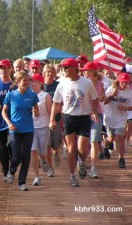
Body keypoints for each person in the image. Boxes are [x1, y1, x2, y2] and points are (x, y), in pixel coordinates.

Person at [49, 58, 99, 187]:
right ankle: (72, 176)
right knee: (71, 148)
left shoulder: (87, 83)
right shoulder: (61, 84)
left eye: (66, 68)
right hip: (68, 118)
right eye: (63, 68)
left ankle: (81, 162)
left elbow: (95, 99)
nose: (64, 70)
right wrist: (52, 119)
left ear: (74, 68)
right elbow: (56, 103)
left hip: (83, 118)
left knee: (82, 148)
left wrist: (93, 111)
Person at [2, 70, 39, 191]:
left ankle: (22, 182)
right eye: (24, 80)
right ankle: (11, 172)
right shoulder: (10, 95)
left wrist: (36, 112)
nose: (27, 82)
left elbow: (37, 111)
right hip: (15, 129)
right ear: (17, 82)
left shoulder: (32, 95)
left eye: (28, 80)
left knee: (26, 156)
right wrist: (9, 123)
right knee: (16, 155)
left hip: (28, 129)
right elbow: (4, 111)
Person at [0, 59, 16, 181]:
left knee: (12, 145)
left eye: (5, 68)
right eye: (1, 68)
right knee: (2, 147)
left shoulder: (14, 84)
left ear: (10, 69)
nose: (3, 70)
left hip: (13, 119)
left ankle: (11, 168)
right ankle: (5, 170)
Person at [81, 62, 105, 178]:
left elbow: (102, 96)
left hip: (97, 114)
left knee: (94, 140)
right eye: (84, 71)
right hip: (84, 115)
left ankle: (94, 168)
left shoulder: (100, 84)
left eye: (87, 70)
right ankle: (82, 161)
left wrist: (105, 97)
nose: (84, 73)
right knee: (84, 143)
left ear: (93, 72)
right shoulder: (82, 83)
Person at [103, 73, 132, 168]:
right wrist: (112, 95)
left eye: (126, 82)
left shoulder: (130, 93)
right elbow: (104, 101)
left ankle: (121, 158)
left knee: (120, 137)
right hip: (110, 117)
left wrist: (126, 108)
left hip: (121, 118)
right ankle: (105, 145)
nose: (124, 84)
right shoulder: (111, 89)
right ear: (119, 81)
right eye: (123, 82)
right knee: (111, 138)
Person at [30, 73, 52, 186]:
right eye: (30, 81)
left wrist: (51, 123)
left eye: (34, 81)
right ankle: (37, 177)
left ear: (40, 83)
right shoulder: (28, 95)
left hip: (43, 126)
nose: (31, 84)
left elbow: (50, 112)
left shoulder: (46, 96)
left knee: (42, 151)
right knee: (33, 150)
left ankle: (44, 160)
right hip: (31, 127)